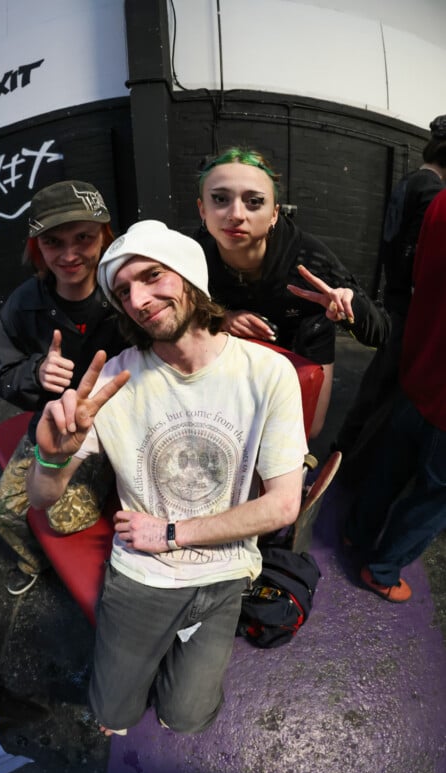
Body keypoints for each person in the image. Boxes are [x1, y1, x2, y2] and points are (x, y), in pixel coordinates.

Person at [26, 220, 307, 735]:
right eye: (123, 291)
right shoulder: (114, 380)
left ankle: (183, 642)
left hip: (223, 571)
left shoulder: (267, 373)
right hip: (142, 576)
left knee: (187, 719)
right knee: (112, 715)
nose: (139, 299)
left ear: (189, 276)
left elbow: (283, 506)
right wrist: (50, 458)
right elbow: (42, 499)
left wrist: (172, 533)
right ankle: (156, 649)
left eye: (153, 276)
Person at [195, 147, 390, 439]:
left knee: (304, 431)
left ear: (274, 214)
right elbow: (177, 312)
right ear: (202, 210)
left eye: (254, 202)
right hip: (229, 346)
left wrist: (350, 311)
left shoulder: (309, 260)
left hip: (303, 337)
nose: (235, 215)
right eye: (220, 199)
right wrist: (221, 319)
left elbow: (381, 332)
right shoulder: (190, 254)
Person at [0, 180, 127, 595]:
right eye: (53, 242)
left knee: (64, 516)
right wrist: (34, 374)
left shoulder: (126, 290)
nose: (69, 255)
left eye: (83, 237)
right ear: (37, 247)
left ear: (105, 235)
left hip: (117, 423)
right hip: (55, 427)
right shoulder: (21, 305)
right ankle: (36, 563)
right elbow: (3, 379)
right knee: (4, 513)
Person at [345, 188, 446, 602]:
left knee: (390, 464)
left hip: (422, 366)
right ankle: (383, 571)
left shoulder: (441, 201)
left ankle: (355, 533)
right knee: (435, 497)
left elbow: (419, 276)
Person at [334, 115, 446, 464]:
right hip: (408, 306)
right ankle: (347, 459)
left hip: (395, 296)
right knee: (386, 389)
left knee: (378, 384)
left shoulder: (412, 181)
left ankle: (344, 451)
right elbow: (417, 254)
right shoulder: (433, 192)